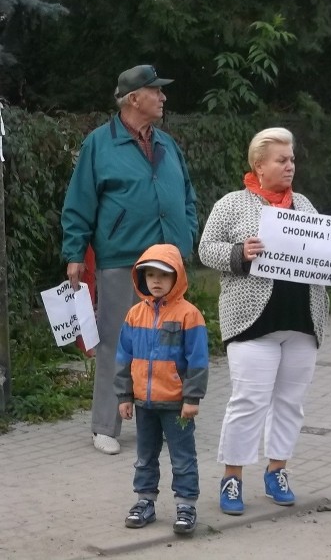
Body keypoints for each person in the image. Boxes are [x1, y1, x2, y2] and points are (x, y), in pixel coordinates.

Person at [198, 127, 331, 516]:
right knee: (248, 401)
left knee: (290, 402)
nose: (290, 166)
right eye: (281, 160)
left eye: (292, 160)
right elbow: (205, 248)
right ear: (259, 164)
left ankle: (277, 470)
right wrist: (239, 253)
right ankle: (232, 477)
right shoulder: (232, 204)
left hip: (302, 322)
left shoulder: (302, 203)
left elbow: (319, 251)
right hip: (253, 322)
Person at [61, 64, 198, 455]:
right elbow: (79, 203)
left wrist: (185, 234)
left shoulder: (167, 144)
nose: (163, 97)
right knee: (118, 341)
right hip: (122, 258)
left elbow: (187, 195)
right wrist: (74, 253)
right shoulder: (99, 144)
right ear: (134, 98)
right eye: (157, 91)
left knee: (170, 340)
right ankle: (106, 425)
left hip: (169, 258)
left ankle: (169, 420)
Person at [114, 244, 208, 535]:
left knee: (182, 457)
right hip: (144, 403)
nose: (156, 281)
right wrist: (124, 396)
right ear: (141, 278)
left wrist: (192, 397)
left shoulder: (189, 315)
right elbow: (123, 358)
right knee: (144, 456)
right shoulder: (133, 315)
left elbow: (198, 360)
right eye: (150, 275)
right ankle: (145, 502)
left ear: (176, 277)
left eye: (163, 276)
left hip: (177, 405)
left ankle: (186, 505)